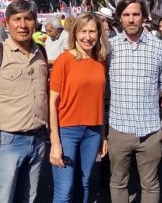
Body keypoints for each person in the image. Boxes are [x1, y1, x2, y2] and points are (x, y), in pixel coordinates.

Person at [0, 0, 48, 203]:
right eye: (16, 19)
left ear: (35, 23)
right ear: (6, 23)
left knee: (29, 197)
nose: (22, 25)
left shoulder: (41, 52)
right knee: (2, 198)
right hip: (6, 142)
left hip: (38, 140)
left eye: (28, 19)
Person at [106, 0, 162, 203]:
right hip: (118, 128)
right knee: (118, 182)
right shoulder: (109, 47)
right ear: (119, 18)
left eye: (135, 14)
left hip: (150, 130)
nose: (131, 19)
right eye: (126, 15)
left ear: (144, 16)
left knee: (150, 184)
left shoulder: (159, 47)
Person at [49, 13, 109, 203]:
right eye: (83, 31)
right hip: (67, 131)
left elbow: (99, 100)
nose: (87, 36)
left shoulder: (101, 62)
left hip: (93, 132)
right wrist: (55, 141)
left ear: (99, 34)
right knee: (64, 190)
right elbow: (52, 102)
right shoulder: (64, 60)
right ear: (75, 33)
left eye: (92, 31)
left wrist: (103, 135)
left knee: (83, 185)